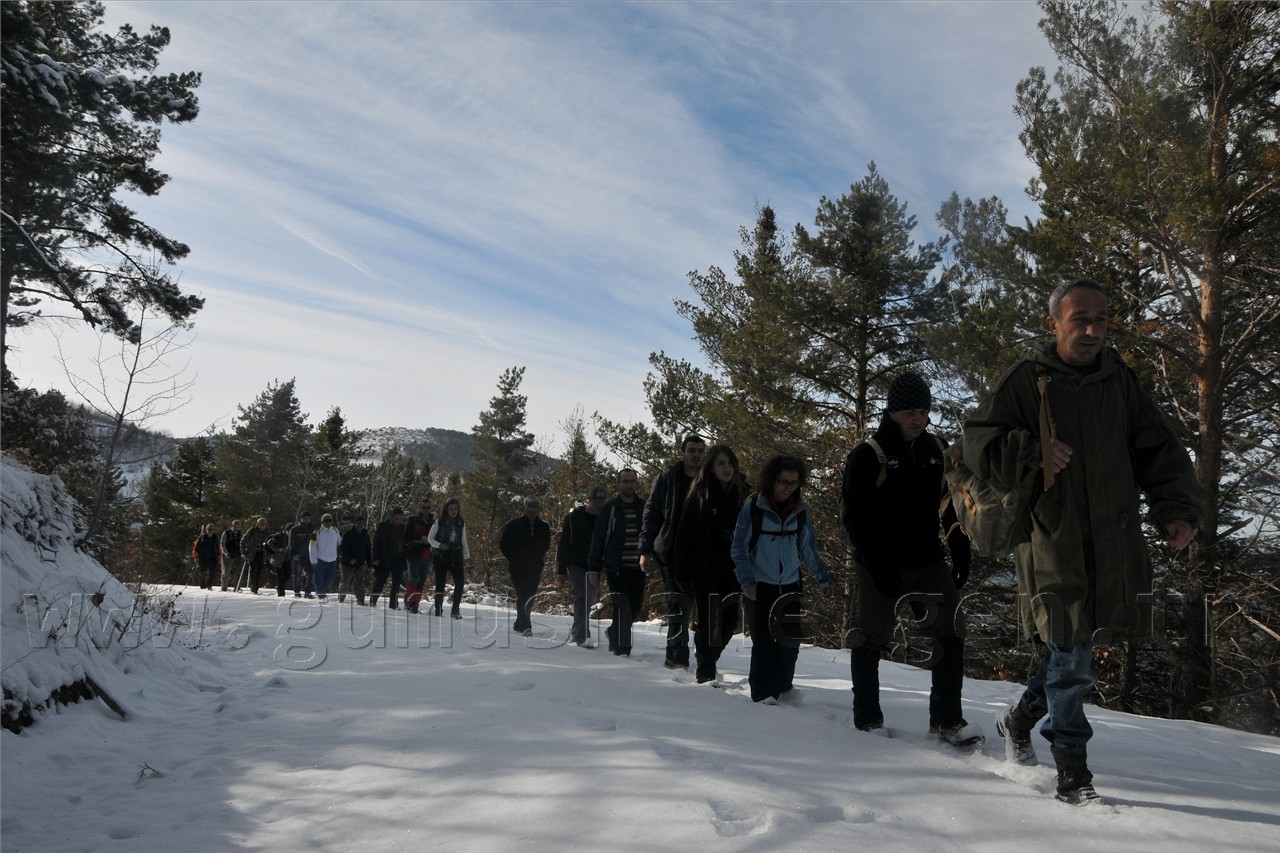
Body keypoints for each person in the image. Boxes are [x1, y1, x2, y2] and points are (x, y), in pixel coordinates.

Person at [963, 279, 1201, 805]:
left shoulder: (1120, 382)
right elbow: (978, 442)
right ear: (1054, 324)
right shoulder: (1028, 381)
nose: (1093, 329)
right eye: (1080, 320)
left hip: (1112, 538)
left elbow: (1159, 449)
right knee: (1072, 654)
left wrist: (1175, 511)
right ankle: (1073, 771)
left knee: (1071, 646)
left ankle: (1017, 720)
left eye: (1101, 318)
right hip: (1052, 541)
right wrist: (1032, 449)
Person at [841, 372, 977, 745]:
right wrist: (874, 562)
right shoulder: (868, 454)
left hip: (927, 561)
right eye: (908, 412)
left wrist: (959, 544)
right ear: (891, 411)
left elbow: (951, 502)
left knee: (951, 632)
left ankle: (947, 720)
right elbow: (852, 516)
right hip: (881, 563)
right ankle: (868, 718)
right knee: (871, 639)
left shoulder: (936, 448)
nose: (917, 419)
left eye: (923, 411)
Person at [731, 455, 834, 703]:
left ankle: (784, 689)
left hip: (789, 585)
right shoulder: (754, 508)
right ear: (771, 480)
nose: (788, 487)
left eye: (794, 483)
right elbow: (739, 547)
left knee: (789, 642)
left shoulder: (799, 511)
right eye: (783, 481)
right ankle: (762, 696)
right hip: (759, 586)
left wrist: (824, 578)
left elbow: (808, 548)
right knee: (764, 643)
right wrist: (746, 581)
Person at [674, 444, 748, 684]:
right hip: (705, 570)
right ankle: (706, 671)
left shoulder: (743, 494)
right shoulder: (701, 494)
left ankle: (707, 654)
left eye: (730, 463)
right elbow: (684, 535)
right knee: (710, 622)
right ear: (711, 467)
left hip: (734, 570)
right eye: (721, 463)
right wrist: (682, 573)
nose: (727, 468)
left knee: (728, 623)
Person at [640, 434, 706, 669]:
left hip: (701, 553)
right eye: (692, 450)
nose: (696, 454)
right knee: (678, 605)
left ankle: (699, 658)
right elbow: (652, 513)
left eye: (700, 450)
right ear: (682, 452)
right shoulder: (667, 479)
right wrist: (645, 549)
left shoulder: (709, 480)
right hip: (670, 550)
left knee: (697, 605)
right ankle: (676, 658)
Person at [588, 468, 647, 657]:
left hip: (638, 568)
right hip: (617, 568)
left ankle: (613, 632)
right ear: (618, 484)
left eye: (632, 481)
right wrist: (594, 569)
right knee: (624, 608)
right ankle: (623, 650)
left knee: (635, 608)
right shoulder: (610, 508)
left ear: (636, 483)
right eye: (625, 481)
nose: (629, 484)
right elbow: (598, 539)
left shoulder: (644, 507)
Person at [556, 485, 606, 647]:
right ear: (589, 500)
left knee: (587, 598)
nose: (599, 504)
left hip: (594, 566)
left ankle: (582, 632)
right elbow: (563, 543)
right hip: (575, 563)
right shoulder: (574, 517)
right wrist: (561, 570)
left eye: (602, 501)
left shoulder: (604, 518)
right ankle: (580, 636)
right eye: (596, 501)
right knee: (583, 596)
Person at [500, 496, 552, 636]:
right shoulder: (514, 525)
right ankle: (526, 625)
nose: (532, 509)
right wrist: (513, 558)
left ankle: (519, 623)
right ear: (525, 507)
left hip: (535, 566)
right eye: (529, 506)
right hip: (517, 566)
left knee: (530, 595)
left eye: (535, 506)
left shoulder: (544, 527)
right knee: (523, 594)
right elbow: (504, 544)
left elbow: (546, 545)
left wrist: (536, 557)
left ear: (538, 508)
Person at [428, 498, 469, 618]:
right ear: (446, 510)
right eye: (451, 509)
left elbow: (463, 540)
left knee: (460, 582)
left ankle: (455, 609)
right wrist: (440, 545)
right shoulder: (439, 522)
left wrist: (467, 556)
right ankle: (438, 609)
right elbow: (430, 538)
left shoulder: (461, 523)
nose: (453, 511)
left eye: (455, 509)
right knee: (440, 583)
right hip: (440, 555)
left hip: (455, 554)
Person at [403, 500, 436, 613]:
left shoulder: (433, 523)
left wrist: (429, 541)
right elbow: (406, 536)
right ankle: (408, 602)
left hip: (426, 555)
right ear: (420, 508)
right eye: (424, 507)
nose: (425, 509)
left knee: (421, 581)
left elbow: (436, 539)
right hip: (413, 554)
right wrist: (419, 537)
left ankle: (415, 604)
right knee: (414, 578)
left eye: (427, 507)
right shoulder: (413, 520)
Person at [371, 508, 407, 609]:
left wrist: (405, 563)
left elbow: (406, 545)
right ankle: (373, 601)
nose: (398, 521)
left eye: (400, 519)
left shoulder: (403, 528)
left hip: (398, 558)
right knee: (380, 581)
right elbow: (376, 543)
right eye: (396, 518)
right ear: (392, 517)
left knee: (396, 584)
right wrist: (376, 558)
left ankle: (393, 604)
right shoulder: (383, 526)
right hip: (384, 558)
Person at [339, 515, 372, 605]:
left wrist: (369, 563)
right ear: (354, 524)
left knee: (359, 582)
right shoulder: (348, 534)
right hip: (346, 563)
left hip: (360, 563)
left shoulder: (365, 535)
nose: (360, 525)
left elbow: (368, 550)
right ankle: (341, 599)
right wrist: (350, 558)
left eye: (362, 523)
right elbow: (343, 548)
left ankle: (360, 600)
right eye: (358, 523)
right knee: (345, 581)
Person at [308, 513, 341, 601]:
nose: (328, 522)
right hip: (320, 560)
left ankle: (320, 590)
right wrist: (313, 560)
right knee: (319, 579)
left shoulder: (335, 530)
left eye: (329, 520)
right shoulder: (317, 532)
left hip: (332, 560)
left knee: (330, 580)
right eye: (326, 521)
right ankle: (321, 595)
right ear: (322, 521)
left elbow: (340, 542)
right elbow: (312, 546)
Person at [239, 517, 271, 595]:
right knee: (253, 570)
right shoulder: (252, 531)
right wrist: (244, 552)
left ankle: (256, 587)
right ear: (257, 524)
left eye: (264, 524)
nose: (262, 526)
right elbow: (243, 541)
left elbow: (270, 544)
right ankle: (254, 588)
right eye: (261, 524)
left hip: (262, 554)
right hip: (252, 553)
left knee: (259, 571)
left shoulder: (267, 532)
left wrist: (269, 554)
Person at [288, 511, 315, 599]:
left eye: (308, 518)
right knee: (297, 575)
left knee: (312, 574)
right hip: (299, 555)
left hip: (310, 555)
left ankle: (308, 592)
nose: (306, 520)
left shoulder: (312, 529)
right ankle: (297, 592)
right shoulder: (295, 529)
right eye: (305, 518)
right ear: (301, 518)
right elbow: (291, 543)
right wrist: (293, 554)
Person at [192, 523, 220, 589]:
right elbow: (195, 548)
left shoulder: (215, 538)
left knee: (212, 574)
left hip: (213, 558)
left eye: (212, 529)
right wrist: (195, 557)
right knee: (202, 573)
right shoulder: (201, 538)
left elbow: (219, 548)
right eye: (209, 529)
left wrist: (219, 557)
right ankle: (202, 586)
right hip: (202, 558)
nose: (210, 531)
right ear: (206, 530)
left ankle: (209, 585)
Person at [219, 519, 244, 592]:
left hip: (238, 555)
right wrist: (225, 552)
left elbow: (243, 543)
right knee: (226, 572)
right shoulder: (226, 533)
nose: (237, 526)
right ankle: (224, 587)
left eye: (238, 525)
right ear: (232, 525)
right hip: (228, 555)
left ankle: (237, 587)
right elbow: (222, 544)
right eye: (235, 525)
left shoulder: (240, 533)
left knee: (238, 572)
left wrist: (243, 553)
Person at [268, 523, 291, 597]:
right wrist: (278, 549)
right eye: (290, 530)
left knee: (287, 576)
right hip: (278, 559)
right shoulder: (279, 536)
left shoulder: (293, 538)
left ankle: (279, 587)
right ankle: (281, 594)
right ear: (286, 530)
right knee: (280, 577)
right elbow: (269, 543)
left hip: (287, 559)